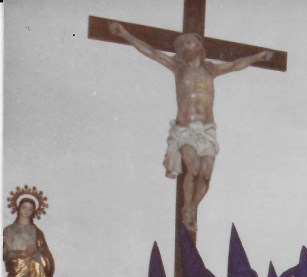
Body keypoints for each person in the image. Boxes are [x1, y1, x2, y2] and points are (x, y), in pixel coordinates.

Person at [108, 22, 272, 230]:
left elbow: (235, 64)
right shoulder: (178, 68)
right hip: (185, 130)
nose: (184, 47)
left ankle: (192, 208)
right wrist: (125, 34)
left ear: (199, 47)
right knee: (193, 167)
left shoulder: (211, 70)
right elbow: (151, 52)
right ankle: (187, 207)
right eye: (181, 44)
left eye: (189, 42)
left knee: (205, 174)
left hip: (207, 130)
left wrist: (257, 57)